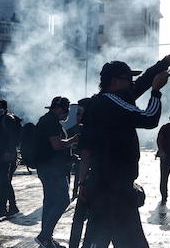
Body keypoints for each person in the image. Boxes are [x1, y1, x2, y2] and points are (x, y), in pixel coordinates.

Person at [77, 48, 170, 248]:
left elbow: (143, 81)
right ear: (114, 82)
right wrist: (156, 91)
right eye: (127, 79)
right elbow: (149, 118)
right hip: (114, 191)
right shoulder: (111, 103)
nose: (131, 83)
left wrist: (168, 60)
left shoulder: (107, 100)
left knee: (97, 240)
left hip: (104, 186)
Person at [35, 96, 78, 248]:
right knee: (62, 201)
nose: (67, 115)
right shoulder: (51, 122)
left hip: (48, 168)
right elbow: (57, 145)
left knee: (50, 202)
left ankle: (47, 238)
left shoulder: (48, 120)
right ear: (59, 109)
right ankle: (44, 236)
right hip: (52, 169)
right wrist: (73, 140)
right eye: (66, 111)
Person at [69, 98, 92, 248]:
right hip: (93, 181)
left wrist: (82, 184)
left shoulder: (89, 132)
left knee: (82, 219)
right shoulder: (78, 129)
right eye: (77, 113)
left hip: (93, 181)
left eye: (81, 113)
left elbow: (85, 158)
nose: (78, 116)